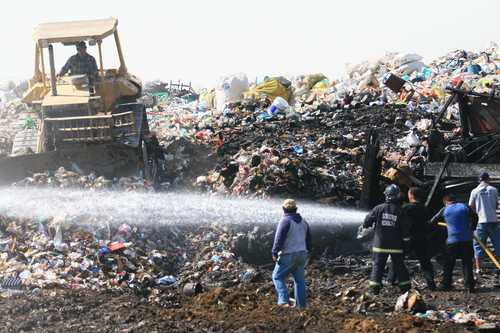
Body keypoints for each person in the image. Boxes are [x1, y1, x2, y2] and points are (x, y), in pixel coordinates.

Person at [363, 184, 411, 295]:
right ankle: (406, 289)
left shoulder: (378, 208)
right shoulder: (400, 211)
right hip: (396, 246)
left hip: (380, 245)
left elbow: (367, 222)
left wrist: (366, 224)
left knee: (377, 266)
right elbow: (405, 229)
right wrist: (407, 243)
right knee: (399, 267)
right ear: (397, 196)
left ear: (386, 195)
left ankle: (374, 290)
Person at [271, 199, 312, 309]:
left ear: (283, 209)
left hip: (289, 254)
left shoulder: (285, 221)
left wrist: (274, 252)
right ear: (296, 209)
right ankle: (301, 306)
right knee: (299, 281)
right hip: (302, 254)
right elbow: (309, 240)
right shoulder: (304, 222)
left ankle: (283, 300)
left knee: (277, 276)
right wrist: (308, 253)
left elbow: (279, 239)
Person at [430, 193, 475, 292]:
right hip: (466, 239)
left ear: (446, 202)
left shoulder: (444, 209)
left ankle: (446, 285)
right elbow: (475, 217)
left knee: (449, 264)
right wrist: (472, 228)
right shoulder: (465, 206)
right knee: (467, 263)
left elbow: (432, 221)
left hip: (452, 240)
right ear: (456, 200)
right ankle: (469, 287)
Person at [395, 187, 436, 289]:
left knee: (398, 259)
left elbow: (400, 223)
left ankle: (391, 280)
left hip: (407, 238)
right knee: (425, 261)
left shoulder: (406, 208)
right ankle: (431, 283)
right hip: (422, 238)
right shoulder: (425, 208)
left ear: (411, 195)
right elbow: (429, 224)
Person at [468, 172, 500, 274]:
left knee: (478, 245)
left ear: (479, 180)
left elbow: (470, 207)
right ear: (488, 179)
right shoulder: (494, 190)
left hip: (480, 222)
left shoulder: (474, 191)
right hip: (493, 221)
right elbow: (496, 206)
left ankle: (478, 269)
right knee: (498, 244)